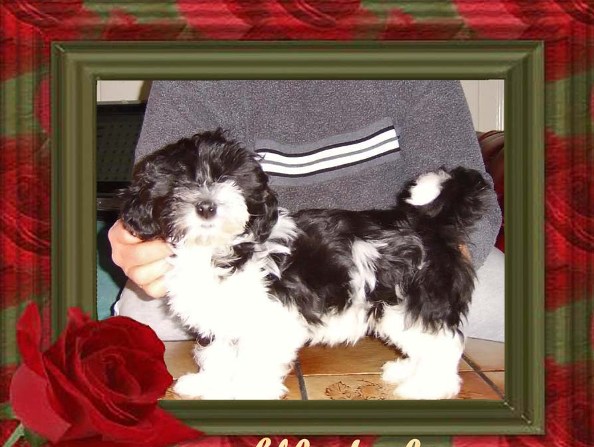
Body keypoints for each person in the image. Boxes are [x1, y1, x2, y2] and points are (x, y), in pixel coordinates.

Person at [109, 80, 504, 342]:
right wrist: (141, 244)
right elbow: (160, 192)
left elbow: (465, 191)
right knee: (139, 330)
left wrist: (434, 273)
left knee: (515, 314)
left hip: (398, 255)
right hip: (239, 260)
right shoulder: (194, 52)